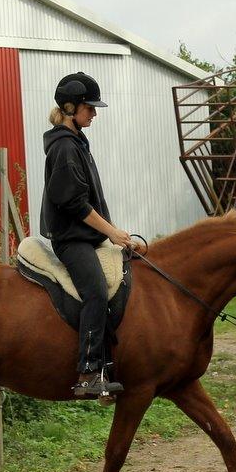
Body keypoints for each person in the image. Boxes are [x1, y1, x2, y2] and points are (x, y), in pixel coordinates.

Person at [41, 72, 141, 400]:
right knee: (96, 291)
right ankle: (87, 373)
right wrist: (113, 232)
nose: (95, 113)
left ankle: (109, 365)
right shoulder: (65, 148)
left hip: (88, 237)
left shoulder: (77, 142)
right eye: (90, 108)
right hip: (72, 239)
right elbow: (73, 203)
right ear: (71, 108)